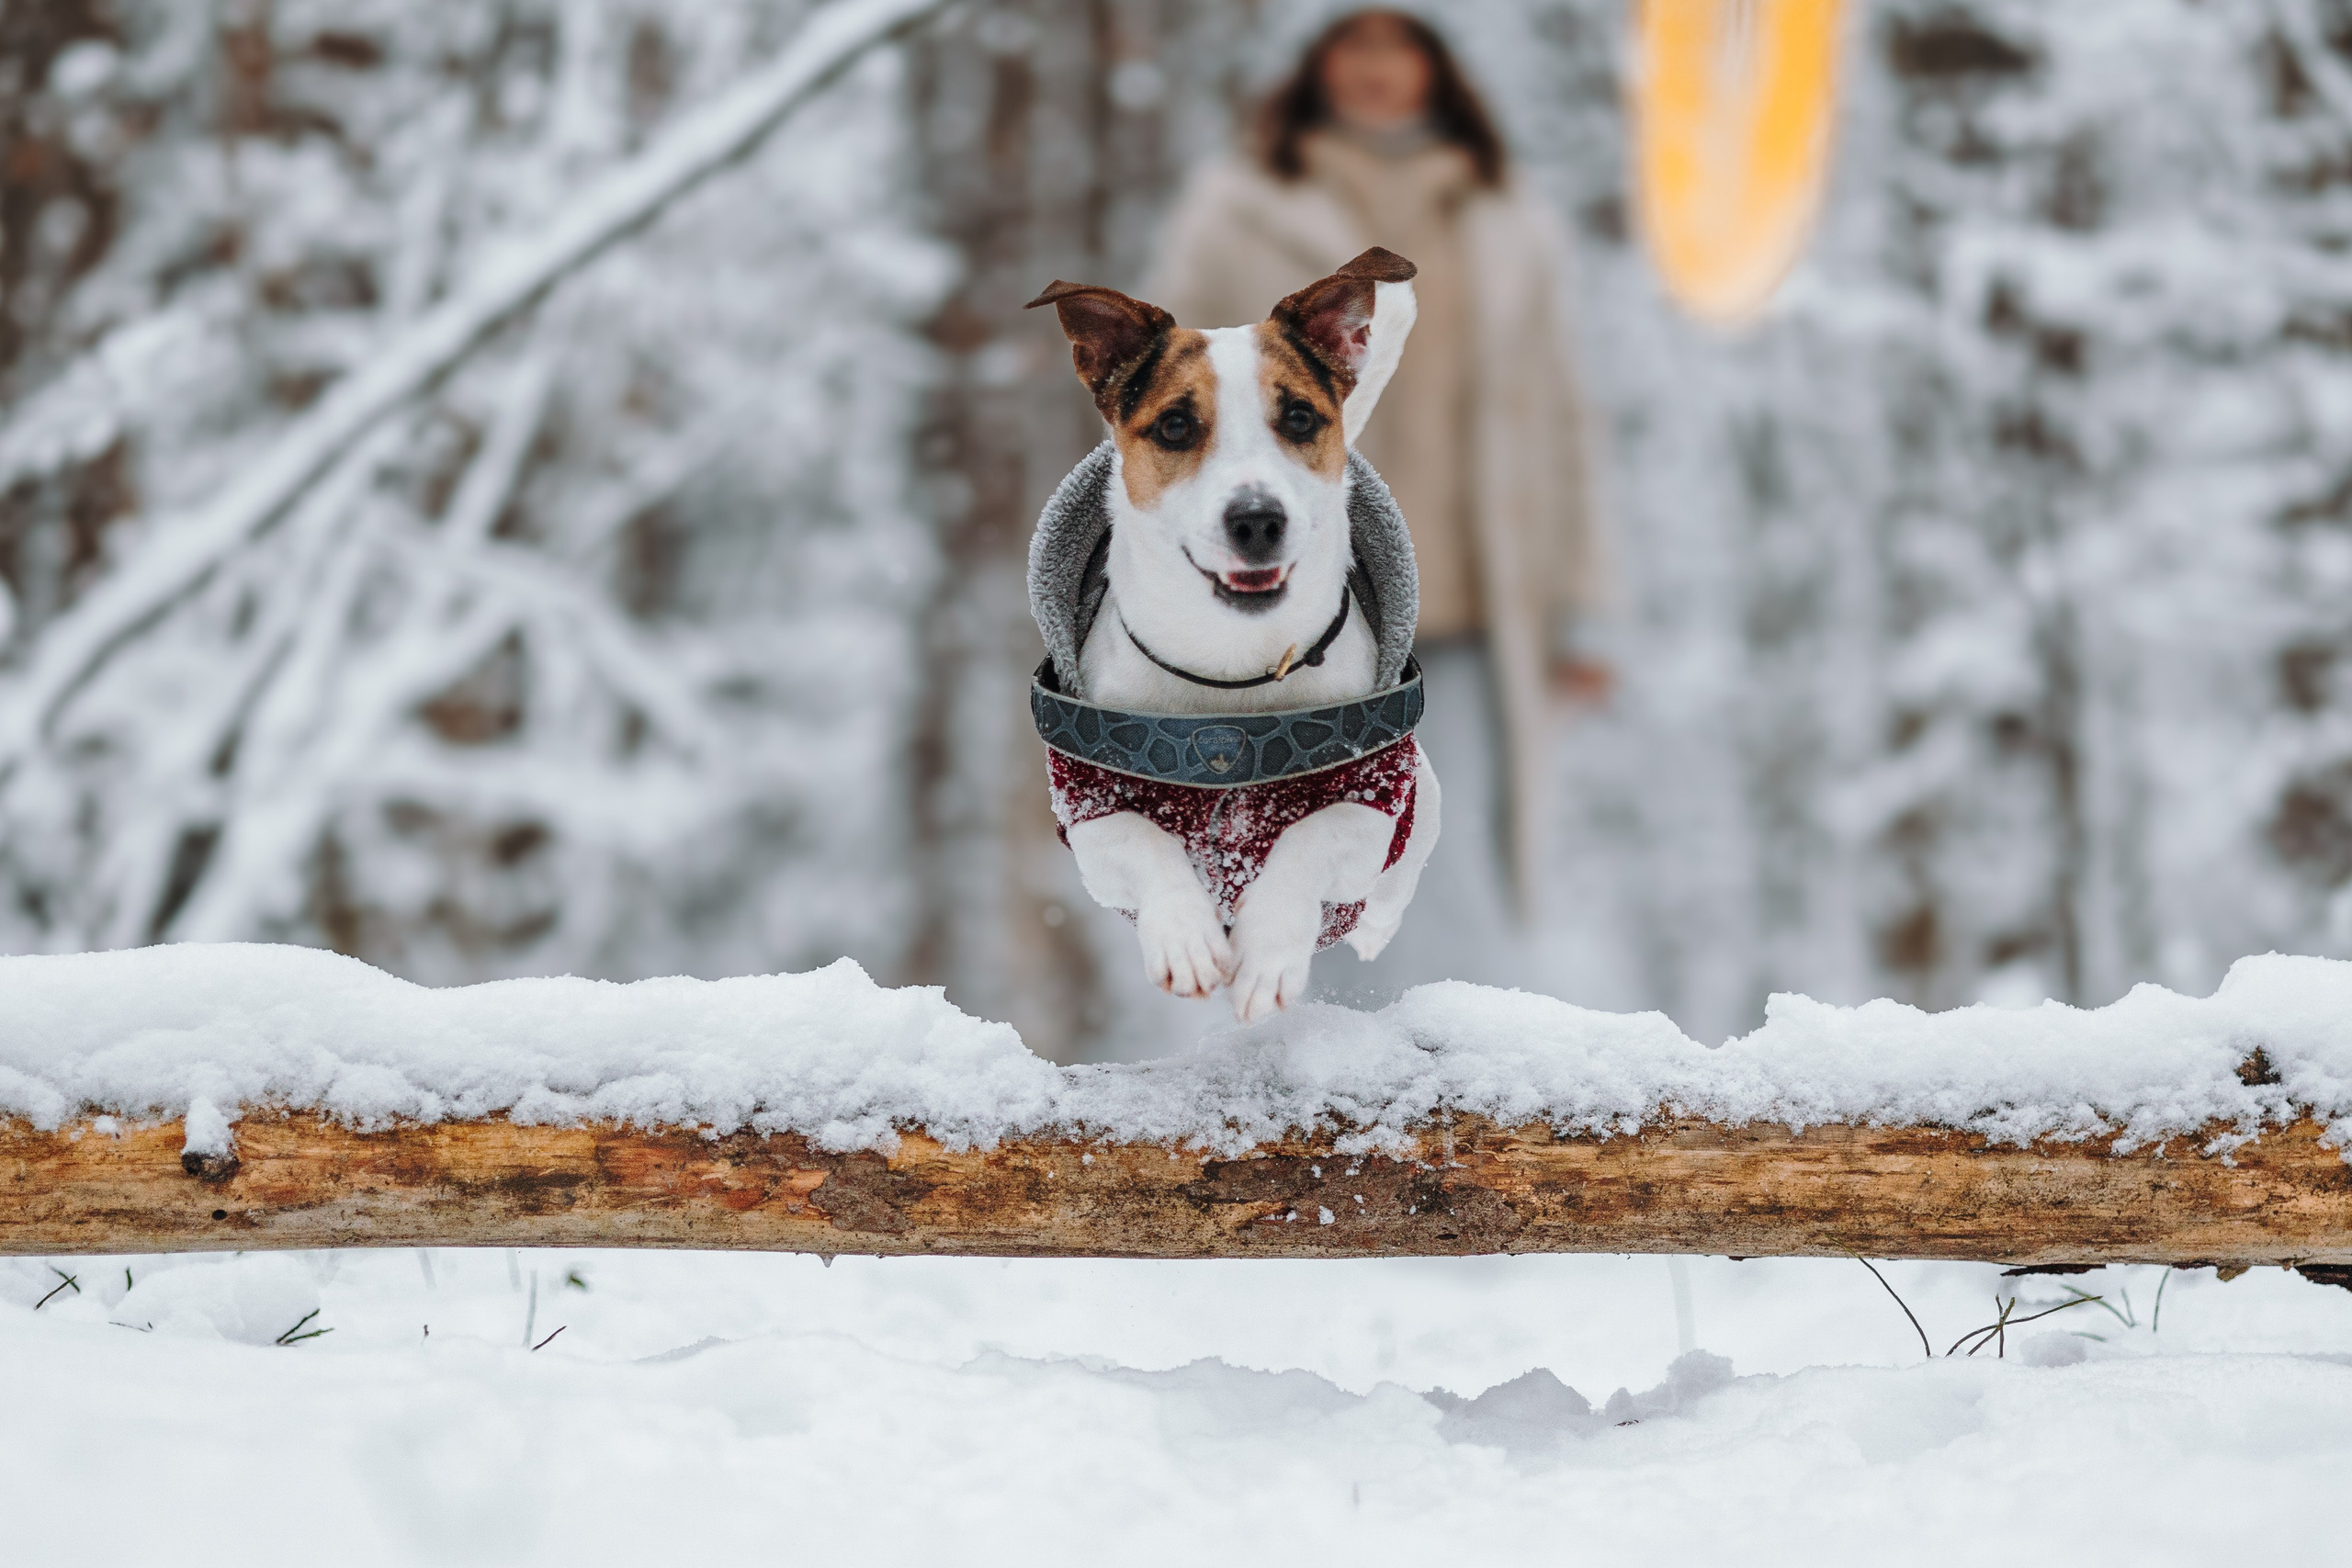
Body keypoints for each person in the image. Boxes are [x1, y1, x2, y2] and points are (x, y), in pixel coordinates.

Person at [1142, 7, 1608, 997]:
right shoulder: (1236, 208)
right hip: (1292, 588)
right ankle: (1297, 1079)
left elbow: (1560, 412)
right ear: (1316, 64)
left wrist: (1582, 602)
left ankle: (1462, 1084)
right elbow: (1156, 391)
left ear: (1436, 64)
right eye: (1354, 45)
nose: (1377, 69)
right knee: (1292, 844)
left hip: (1477, 592)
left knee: (1456, 851)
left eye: (1400, 45)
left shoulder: (1506, 216)